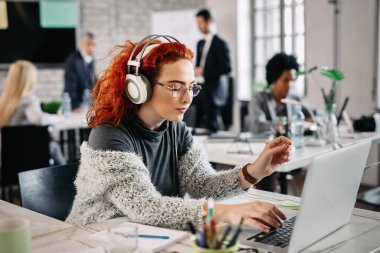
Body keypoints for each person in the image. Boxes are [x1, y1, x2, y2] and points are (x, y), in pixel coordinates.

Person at [66, 35, 292, 233]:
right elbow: (145, 207)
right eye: (175, 88)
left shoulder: (177, 129)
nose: (187, 99)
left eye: (191, 87)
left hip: (147, 236)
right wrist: (224, 213)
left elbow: (200, 185)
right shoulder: (109, 135)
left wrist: (252, 171)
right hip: (94, 238)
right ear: (139, 87)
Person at [0, 60, 66, 165]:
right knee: (54, 147)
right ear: (30, 80)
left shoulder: (4, 102)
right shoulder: (28, 100)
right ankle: (70, 178)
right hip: (28, 158)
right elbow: (40, 119)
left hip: (9, 160)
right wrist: (57, 118)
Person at [249, 53, 311, 134]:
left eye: (292, 81)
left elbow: (317, 115)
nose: (289, 85)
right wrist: (290, 125)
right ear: (274, 79)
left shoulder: (294, 99)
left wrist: (311, 121)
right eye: (285, 81)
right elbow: (259, 126)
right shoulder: (259, 98)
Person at [194, 9, 232, 133]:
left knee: (212, 124)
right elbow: (198, 65)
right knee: (196, 121)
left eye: (200, 22)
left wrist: (204, 72)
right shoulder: (200, 43)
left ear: (209, 21)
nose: (198, 26)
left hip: (214, 91)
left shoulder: (221, 43)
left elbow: (227, 67)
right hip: (199, 87)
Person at [64, 32, 96, 111]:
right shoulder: (73, 60)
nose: (91, 48)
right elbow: (70, 85)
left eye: (93, 44)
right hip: (74, 104)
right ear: (82, 45)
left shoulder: (91, 60)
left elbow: (89, 80)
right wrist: (75, 106)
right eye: (88, 44)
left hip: (87, 102)